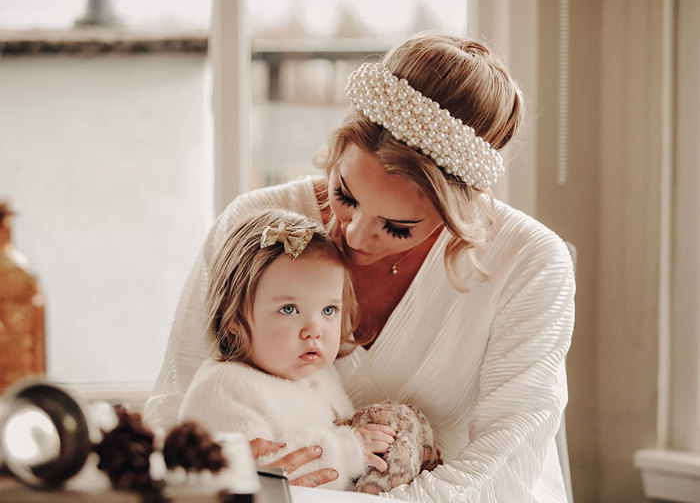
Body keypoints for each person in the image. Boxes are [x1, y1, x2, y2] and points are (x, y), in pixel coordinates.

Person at [145, 33, 575, 501]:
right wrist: (219, 471)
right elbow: (174, 408)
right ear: (338, 148)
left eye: (397, 227)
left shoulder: (528, 261)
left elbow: (504, 466)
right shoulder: (253, 224)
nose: (350, 236)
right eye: (344, 195)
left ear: (459, 213)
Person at [177, 208, 396, 490]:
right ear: (232, 319)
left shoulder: (318, 373)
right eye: (289, 309)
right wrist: (352, 449)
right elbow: (269, 472)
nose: (314, 329)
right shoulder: (225, 386)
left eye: (328, 309)